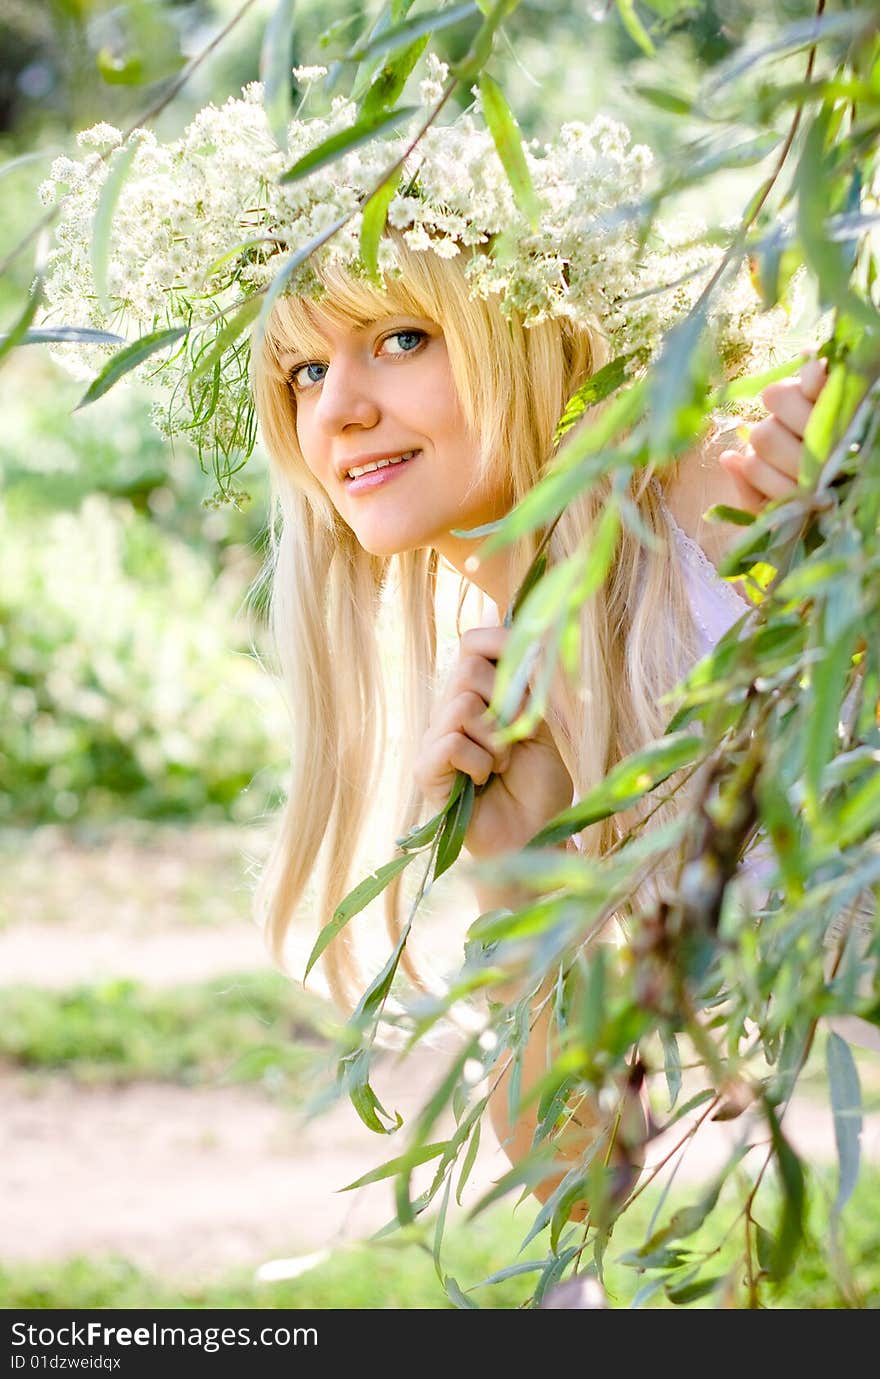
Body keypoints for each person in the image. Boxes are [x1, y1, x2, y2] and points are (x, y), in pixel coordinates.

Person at [39, 77, 831, 1218]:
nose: (337, 411)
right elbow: (575, 1184)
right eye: (304, 372)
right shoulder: (512, 687)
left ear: (533, 329)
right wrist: (516, 874)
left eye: (397, 338)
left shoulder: (735, 493)